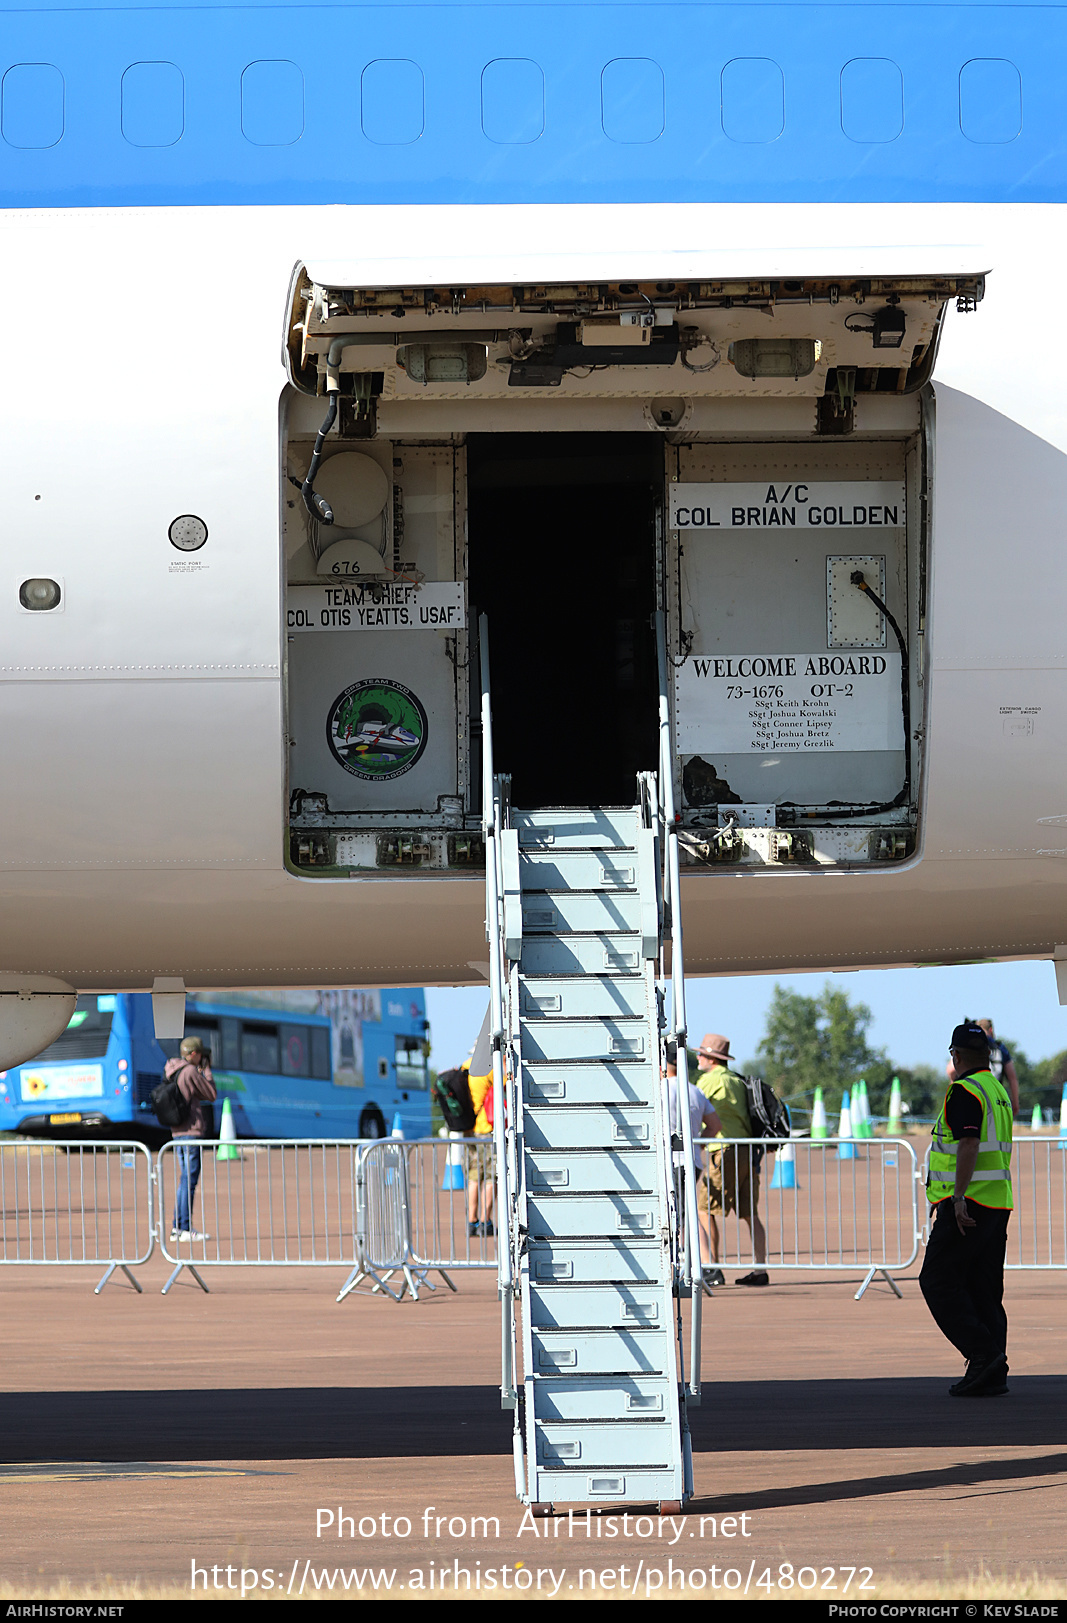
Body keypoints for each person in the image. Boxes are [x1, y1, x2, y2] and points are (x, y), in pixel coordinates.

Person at [920, 1022, 1014, 1397]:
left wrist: (956, 1198)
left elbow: (969, 1145)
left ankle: (983, 1354)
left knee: (937, 1280)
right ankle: (993, 1368)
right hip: (996, 1201)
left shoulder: (964, 1090)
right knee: (983, 1288)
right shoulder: (997, 1089)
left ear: (956, 1056)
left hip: (969, 1204)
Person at [695, 1032, 768, 1286]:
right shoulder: (736, 1080)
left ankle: (712, 1269)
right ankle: (760, 1269)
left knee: (705, 1210)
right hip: (747, 1149)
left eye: (701, 1054)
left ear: (712, 1059)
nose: (697, 1057)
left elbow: (695, 1109)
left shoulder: (709, 1081)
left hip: (722, 1150)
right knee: (750, 1214)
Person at [663, 1040, 723, 1285]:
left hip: (669, 1159)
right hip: (692, 1159)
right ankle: (706, 1264)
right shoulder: (694, 1090)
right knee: (686, 1213)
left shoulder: (660, 1088)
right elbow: (716, 1125)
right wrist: (697, 1142)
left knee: (674, 1215)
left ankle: (686, 1263)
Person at [167, 1035, 218, 1243]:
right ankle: (184, 1227)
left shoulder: (172, 1068)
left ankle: (177, 1227)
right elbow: (211, 1093)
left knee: (184, 1180)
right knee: (189, 1181)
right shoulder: (189, 1071)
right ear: (195, 1054)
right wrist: (206, 1070)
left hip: (177, 1132)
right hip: (191, 1131)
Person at [945, 1017, 1019, 1114]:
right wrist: (1015, 1103)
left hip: (971, 1092)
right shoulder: (1000, 1048)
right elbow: (1012, 1078)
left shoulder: (968, 1044)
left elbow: (951, 1071)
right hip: (996, 1095)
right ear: (991, 1029)